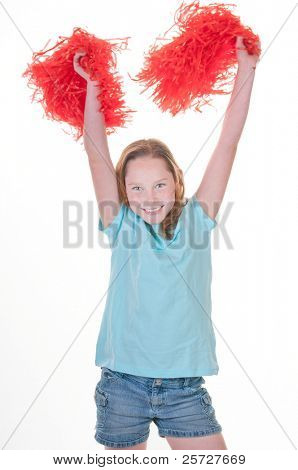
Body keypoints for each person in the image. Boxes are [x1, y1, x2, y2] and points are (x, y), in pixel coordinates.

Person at [73, 36, 260, 450]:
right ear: (123, 190)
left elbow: (227, 141)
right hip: (123, 385)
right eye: (136, 187)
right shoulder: (120, 223)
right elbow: (94, 151)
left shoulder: (199, 218)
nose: (149, 196)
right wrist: (92, 86)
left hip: (183, 389)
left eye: (159, 184)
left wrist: (246, 71)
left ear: (177, 181)